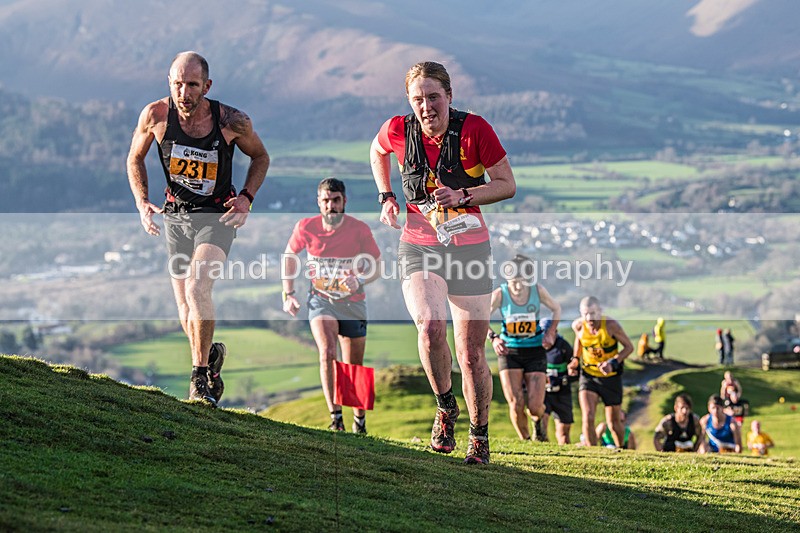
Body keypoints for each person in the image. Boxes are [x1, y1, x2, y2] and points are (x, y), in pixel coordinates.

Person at [369, 61, 516, 464]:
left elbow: (507, 184)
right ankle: (445, 406)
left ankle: (480, 435)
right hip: (419, 243)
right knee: (431, 326)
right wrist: (386, 196)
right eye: (418, 98)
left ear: (449, 96)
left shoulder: (475, 130)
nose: (426, 106)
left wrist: (464, 196)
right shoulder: (399, 128)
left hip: (469, 249)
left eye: (434, 97)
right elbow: (376, 150)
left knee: (470, 356)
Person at [126, 51, 269, 406]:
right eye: (178, 84)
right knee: (185, 313)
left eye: (192, 85)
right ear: (169, 82)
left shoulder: (232, 121)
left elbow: (261, 157)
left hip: (217, 216)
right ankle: (211, 360)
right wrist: (142, 202)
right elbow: (135, 158)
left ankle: (199, 379)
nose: (184, 93)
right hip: (176, 216)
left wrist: (247, 198)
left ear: (207, 86)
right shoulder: (156, 115)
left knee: (196, 287)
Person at [282, 178, 381, 434]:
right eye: (325, 201)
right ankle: (336, 418)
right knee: (327, 352)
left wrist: (358, 279)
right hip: (320, 300)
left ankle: (359, 421)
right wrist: (288, 293)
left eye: (335, 200)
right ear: (318, 203)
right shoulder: (306, 227)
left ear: (344, 201)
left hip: (352, 303)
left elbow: (377, 266)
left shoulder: (359, 229)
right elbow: (289, 256)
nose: (331, 206)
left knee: (353, 367)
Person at [486, 256, 562, 442]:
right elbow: (482, 319)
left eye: (523, 282)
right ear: (507, 280)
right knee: (516, 403)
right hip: (509, 351)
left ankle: (538, 424)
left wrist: (551, 332)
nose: (519, 287)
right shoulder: (500, 295)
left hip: (535, 350)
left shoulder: (538, 291)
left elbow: (556, 309)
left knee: (535, 406)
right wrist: (494, 338)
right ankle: (527, 440)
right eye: (515, 282)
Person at [568, 296, 634, 448]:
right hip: (588, 375)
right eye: (585, 314)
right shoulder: (578, 326)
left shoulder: (611, 326)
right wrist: (575, 360)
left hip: (610, 377)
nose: (589, 317)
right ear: (581, 313)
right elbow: (579, 340)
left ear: (600, 311)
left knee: (613, 421)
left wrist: (613, 362)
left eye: (593, 313)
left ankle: (620, 450)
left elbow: (629, 347)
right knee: (588, 416)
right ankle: (592, 451)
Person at [540, 318, 576, 445]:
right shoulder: (536, 348)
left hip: (562, 394)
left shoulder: (564, 347)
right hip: (543, 394)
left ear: (555, 332)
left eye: (547, 334)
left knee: (563, 434)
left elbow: (576, 373)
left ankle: (568, 456)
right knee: (541, 427)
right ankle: (543, 453)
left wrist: (563, 380)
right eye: (541, 334)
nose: (544, 338)